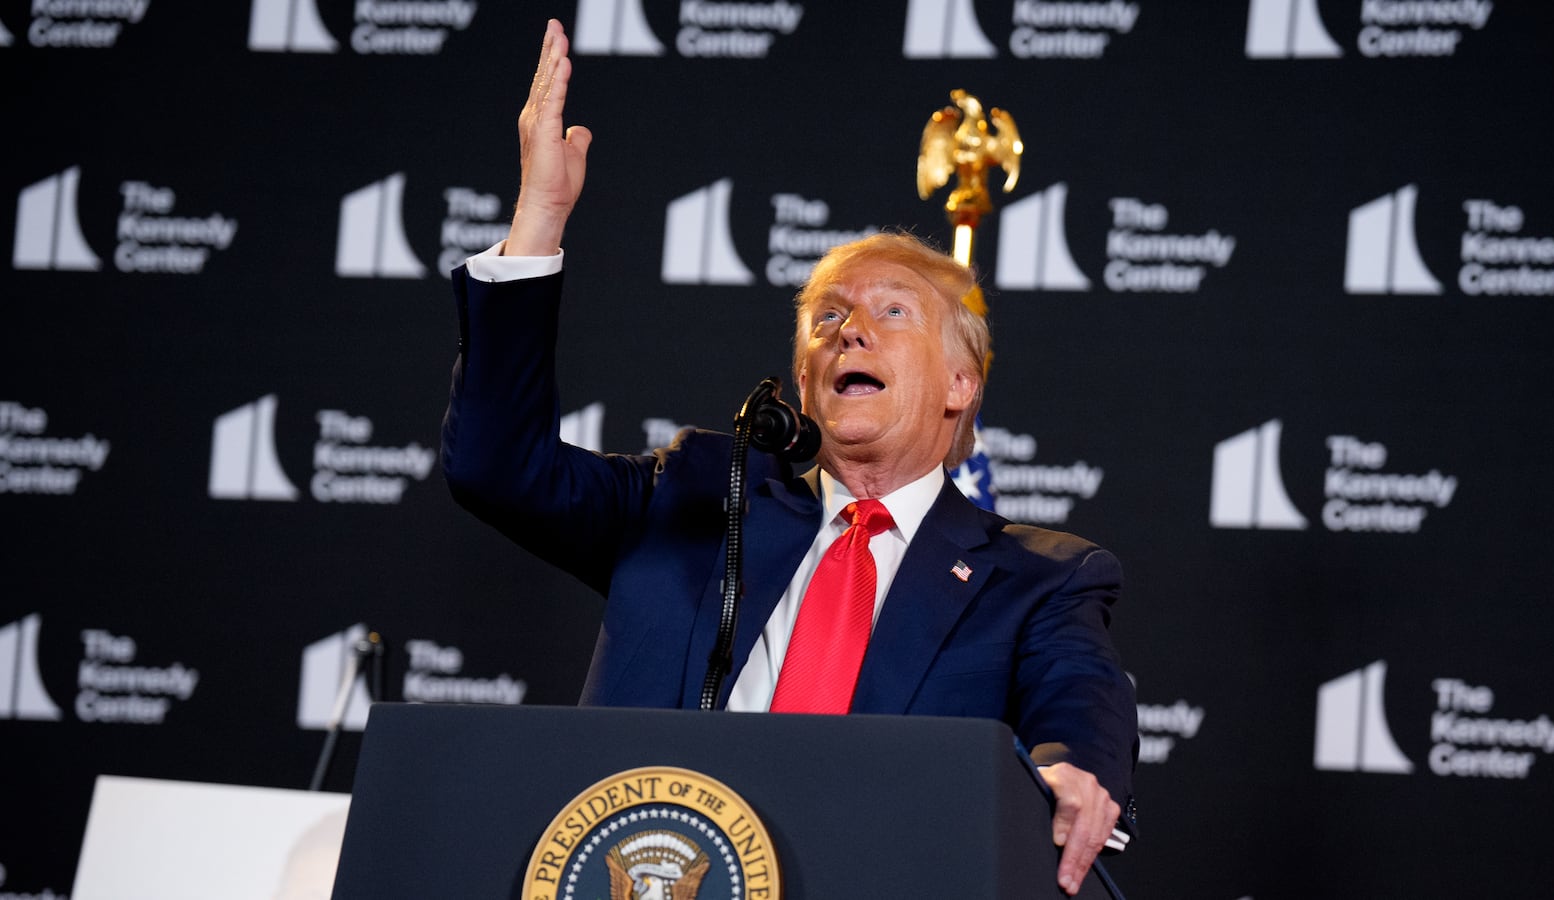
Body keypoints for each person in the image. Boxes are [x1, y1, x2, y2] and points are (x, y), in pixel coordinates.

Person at [441, 19, 1137, 896]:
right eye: (828, 316)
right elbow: (496, 467)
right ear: (806, 379)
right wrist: (539, 219)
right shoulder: (696, 496)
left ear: (961, 383)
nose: (850, 327)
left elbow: (1080, 699)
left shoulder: (1043, 578)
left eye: (892, 313)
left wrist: (1073, 772)